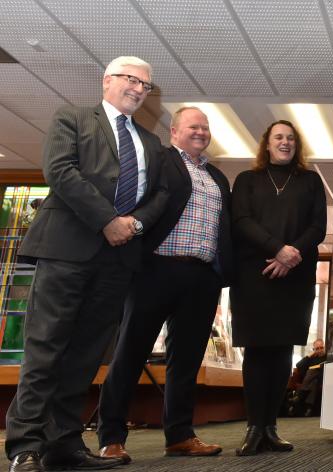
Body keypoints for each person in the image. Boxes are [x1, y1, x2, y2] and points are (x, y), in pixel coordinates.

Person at [6, 56, 167, 472]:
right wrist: (107, 221)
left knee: (85, 355)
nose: (138, 88)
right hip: (67, 250)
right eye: (131, 79)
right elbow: (60, 172)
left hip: (117, 261)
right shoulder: (73, 118)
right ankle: (25, 446)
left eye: (146, 85)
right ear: (107, 80)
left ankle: (63, 445)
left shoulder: (151, 142)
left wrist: (133, 224)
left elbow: (160, 196)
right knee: (46, 349)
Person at [95, 106, 234, 464]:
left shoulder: (218, 177)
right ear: (174, 132)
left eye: (205, 127)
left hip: (202, 277)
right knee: (129, 354)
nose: (201, 132)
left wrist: (221, 274)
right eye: (193, 126)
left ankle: (180, 436)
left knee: (185, 361)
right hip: (154, 271)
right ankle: (110, 436)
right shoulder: (159, 161)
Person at [230, 120, 327, 456]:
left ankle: (271, 427)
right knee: (257, 351)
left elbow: (318, 225)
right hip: (255, 276)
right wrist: (277, 249)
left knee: (284, 351)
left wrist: (291, 254)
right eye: (278, 138)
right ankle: (254, 428)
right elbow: (241, 221)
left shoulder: (311, 181)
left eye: (290, 138)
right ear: (267, 144)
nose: (285, 143)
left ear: (296, 145)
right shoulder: (246, 180)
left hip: (296, 276)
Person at [288, 339, 326, 416]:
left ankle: (299, 396)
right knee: (313, 381)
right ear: (314, 349)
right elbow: (298, 365)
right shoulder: (311, 358)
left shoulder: (327, 357)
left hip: (323, 378)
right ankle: (309, 408)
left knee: (311, 371)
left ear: (324, 347)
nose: (320, 350)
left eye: (321, 348)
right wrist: (309, 356)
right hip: (313, 381)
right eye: (317, 348)